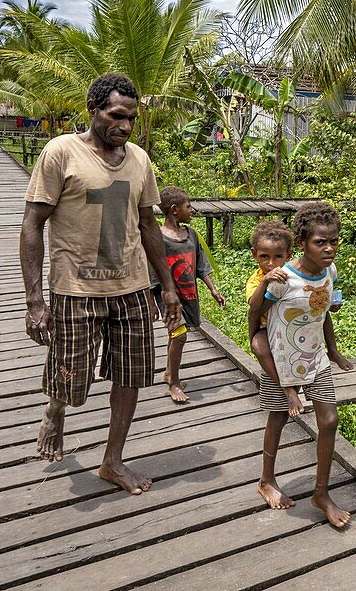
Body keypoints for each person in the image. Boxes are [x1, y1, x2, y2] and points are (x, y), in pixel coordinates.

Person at [20, 72, 181, 496]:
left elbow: (148, 225)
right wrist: (35, 300)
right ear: (93, 110)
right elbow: (32, 224)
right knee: (72, 382)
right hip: (75, 289)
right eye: (116, 115)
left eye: (130, 118)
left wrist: (166, 286)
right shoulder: (61, 154)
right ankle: (55, 409)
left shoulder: (140, 160)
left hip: (131, 288)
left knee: (130, 376)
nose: (125, 126)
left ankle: (112, 460)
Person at [249, 201, 354, 527]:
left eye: (333, 240)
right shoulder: (282, 279)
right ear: (302, 243)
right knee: (278, 418)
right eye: (320, 242)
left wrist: (333, 351)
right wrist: (255, 337)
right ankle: (266, 480)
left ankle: (320, 493)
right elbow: (255, 310)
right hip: (281, 360)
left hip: (315, 358)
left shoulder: (330, 272)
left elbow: (322, 313)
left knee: (330, 420)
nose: (329, 248)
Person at [151, 186, 225, 404]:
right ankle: (174, 383)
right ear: (175, 210)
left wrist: (212, 288)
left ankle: (167, 373)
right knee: (180, 335)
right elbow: (151, 269)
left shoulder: (190, 234)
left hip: (188, 293)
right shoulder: (158, 238)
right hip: (167, 296)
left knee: (176, 334)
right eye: (188, 206)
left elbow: (200, 265)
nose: (192, 210)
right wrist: (151, 301)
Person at [245, 219, 294, 406]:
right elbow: (255, 307)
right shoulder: (255, 280)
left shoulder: (294, 274)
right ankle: (285, 388)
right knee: (258, 346)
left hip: (290, 326)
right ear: (254, 255)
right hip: (267, 328)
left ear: (288, 255)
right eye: (264, 257)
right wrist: (265, 281)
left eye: (278, 257)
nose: (271, 263)